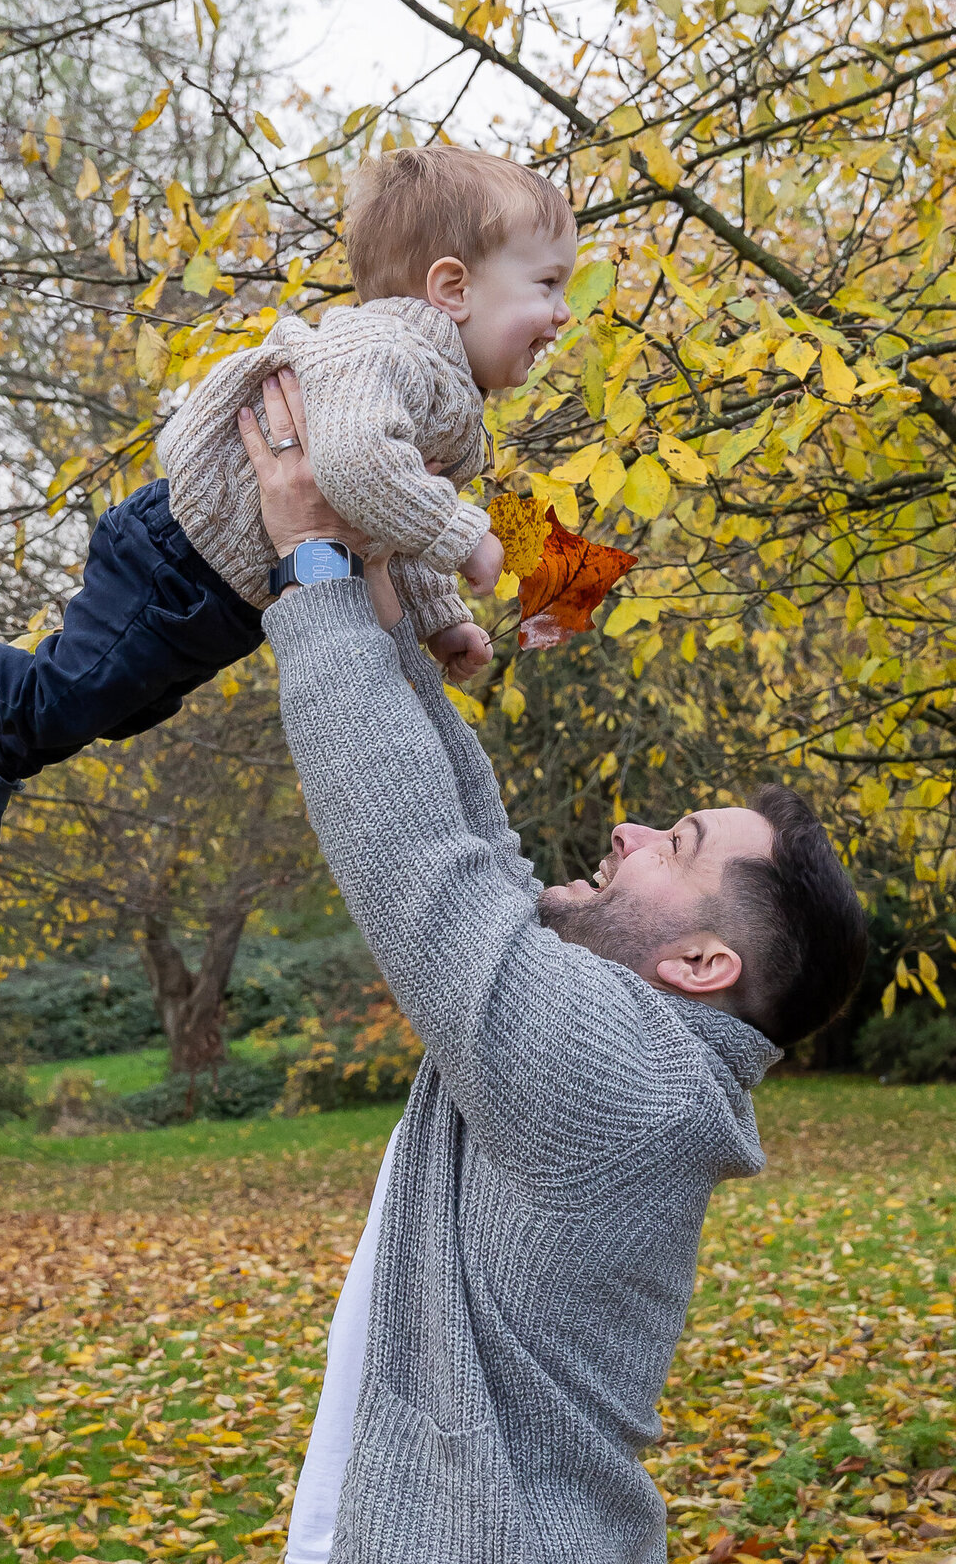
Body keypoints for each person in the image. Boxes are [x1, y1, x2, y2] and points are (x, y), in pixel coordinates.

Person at [237, 372, 868, 1564]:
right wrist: (390, 597)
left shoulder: (620, 1084)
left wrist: (311, 566)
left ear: (696, 960)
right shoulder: (638, 1062)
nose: (631, 830)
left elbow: (421, 864)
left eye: (674, 845)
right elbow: (478, 853)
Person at [0, 147, 576, 868]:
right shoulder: (384, 351)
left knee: (116, 706)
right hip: (176, 557)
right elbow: (355, 462)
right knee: (70, 692)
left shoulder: (452, 405)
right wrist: (463, 538)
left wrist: (440, 618)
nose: (564, 313)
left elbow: (395, 521)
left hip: (230, 595)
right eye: (547, 285)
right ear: (453, 288)